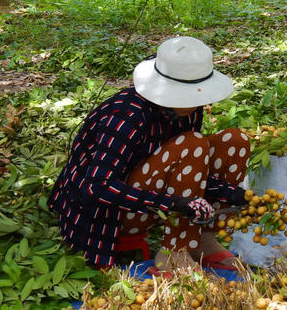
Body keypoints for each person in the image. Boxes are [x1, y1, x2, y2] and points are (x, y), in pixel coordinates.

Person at [51, 36, 251, 270]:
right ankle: (174, 252)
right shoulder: (127, 116)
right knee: (193, 143)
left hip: (154, 194)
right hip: (107, 211)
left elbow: (190, 172)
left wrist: (231, 194)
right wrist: (172, 203)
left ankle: (203, 240)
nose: (198, 101)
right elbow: (97, 187)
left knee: (235, 140)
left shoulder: (189, 110)